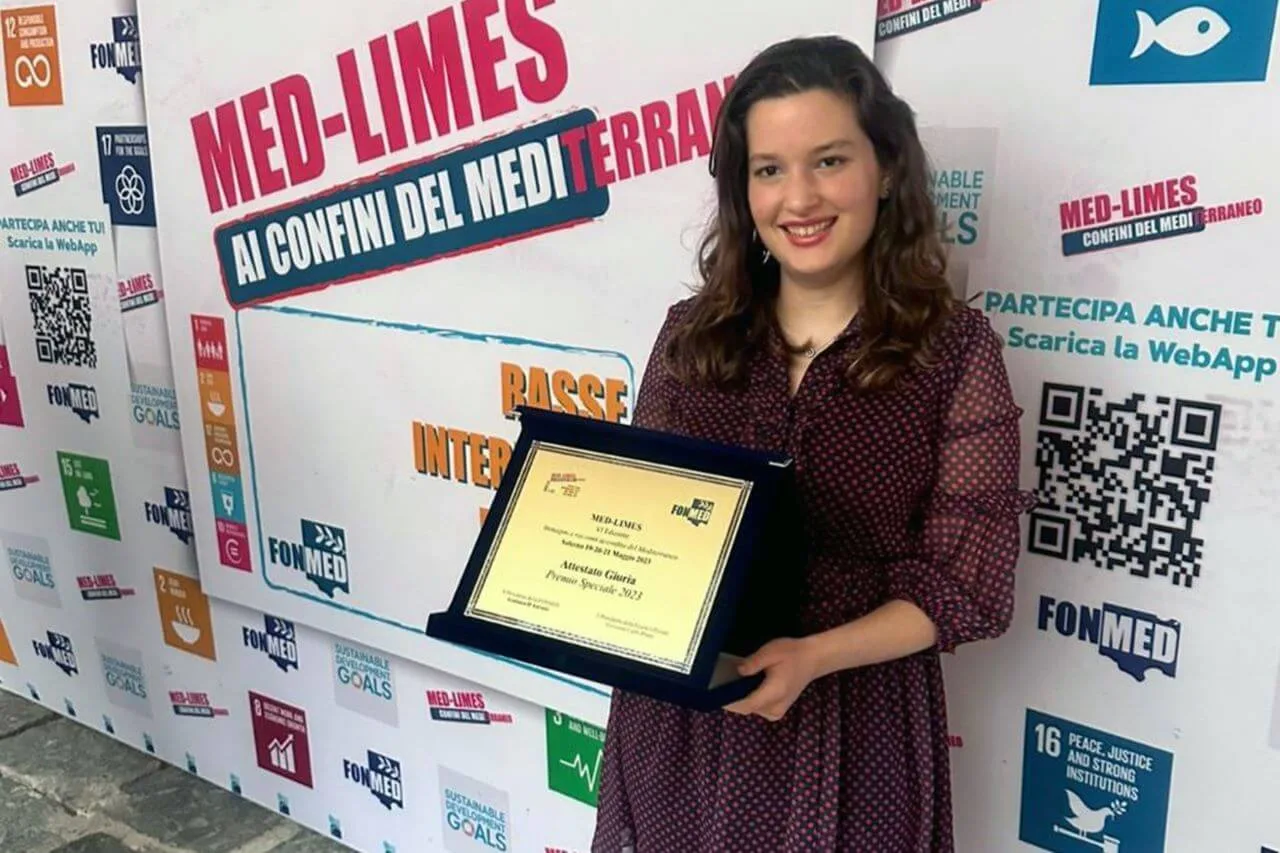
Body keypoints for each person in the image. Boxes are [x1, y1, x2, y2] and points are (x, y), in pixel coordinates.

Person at [591, 35, 1036, 853]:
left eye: (829, 161)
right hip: (686, 717)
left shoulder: (954, 351)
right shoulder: (690, 335)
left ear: (887, 168)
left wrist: (814, 655)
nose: (799, 198)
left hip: (854, 721)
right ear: (743, 189)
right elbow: (639, 520)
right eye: (769, 169)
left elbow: (966, 582)